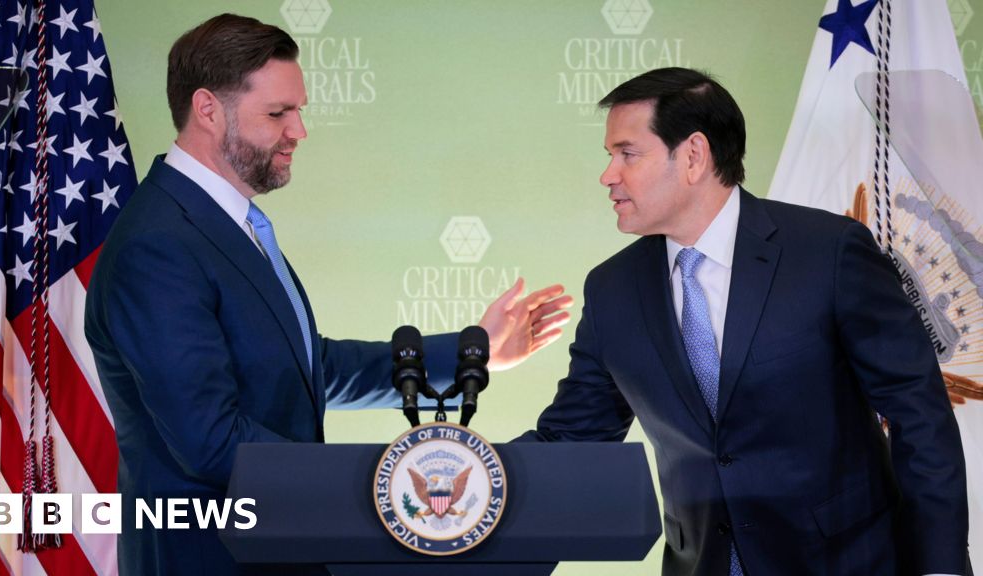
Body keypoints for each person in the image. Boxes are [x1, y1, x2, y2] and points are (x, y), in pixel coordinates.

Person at [84, 14, 572, 576]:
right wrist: (379, 492)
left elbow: (306, 367)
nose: (299, 131)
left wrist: (473, 351)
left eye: (299, 110)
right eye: (278, 113)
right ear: (208, 109)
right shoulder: (157, 246)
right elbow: (211, 441)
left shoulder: (223, 223)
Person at [520, 67, 970, 576]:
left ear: (693, 155)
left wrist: (940, 568)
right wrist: (467, 473)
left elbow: (919, 415)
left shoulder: (828, 252)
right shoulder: (611, 290)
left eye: (627, 154)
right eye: (610, 156)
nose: (608, 175)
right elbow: (571, 441)